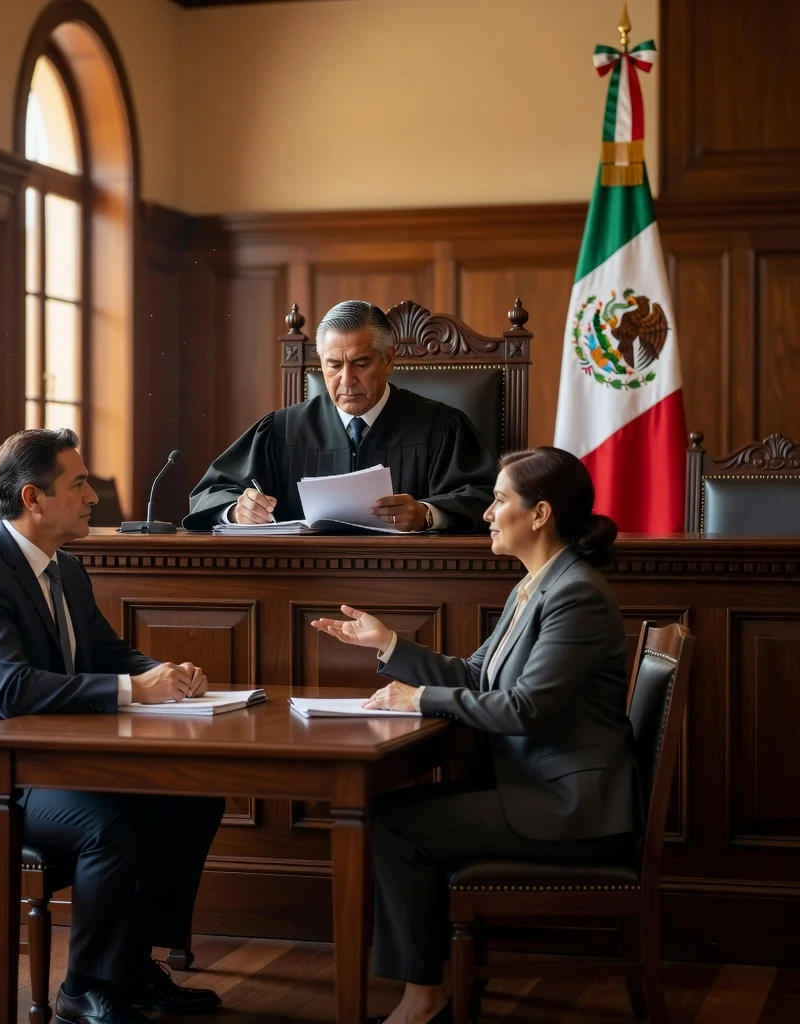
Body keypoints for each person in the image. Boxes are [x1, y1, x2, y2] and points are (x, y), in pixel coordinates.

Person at [311, 447, 638, 1024]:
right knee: (390, 816)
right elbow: (476, 676)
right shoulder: (533, 586)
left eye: (499, 500)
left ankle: (423, 1001)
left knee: (392, 825)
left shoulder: (575, 593)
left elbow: (525, 707)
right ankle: (427, 994)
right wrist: (387, 645)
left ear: (539, 514)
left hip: (570, 807)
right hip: (532, 787)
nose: (487, 513)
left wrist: (419, 699)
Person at [0, 428, 225, 1024]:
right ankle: (83, 986)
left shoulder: (67, 570)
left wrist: (162, 671)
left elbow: (107, 652)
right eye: (78, 484)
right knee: (111, 822)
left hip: (41, 768)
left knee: (193, 794)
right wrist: (137, 690)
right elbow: (12, 690)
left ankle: (129, 964)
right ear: (33, 498)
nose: (92, 498)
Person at [183, 300, 495, 532]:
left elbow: (486, 498)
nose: (346, 379)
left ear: (388, 359)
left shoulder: (440, 427)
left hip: (410, 583)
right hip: (302, 582)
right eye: (334, 365)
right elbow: (210, 494)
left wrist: (428, 514)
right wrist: (238, 511)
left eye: (360, 363)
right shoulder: (281, 431)